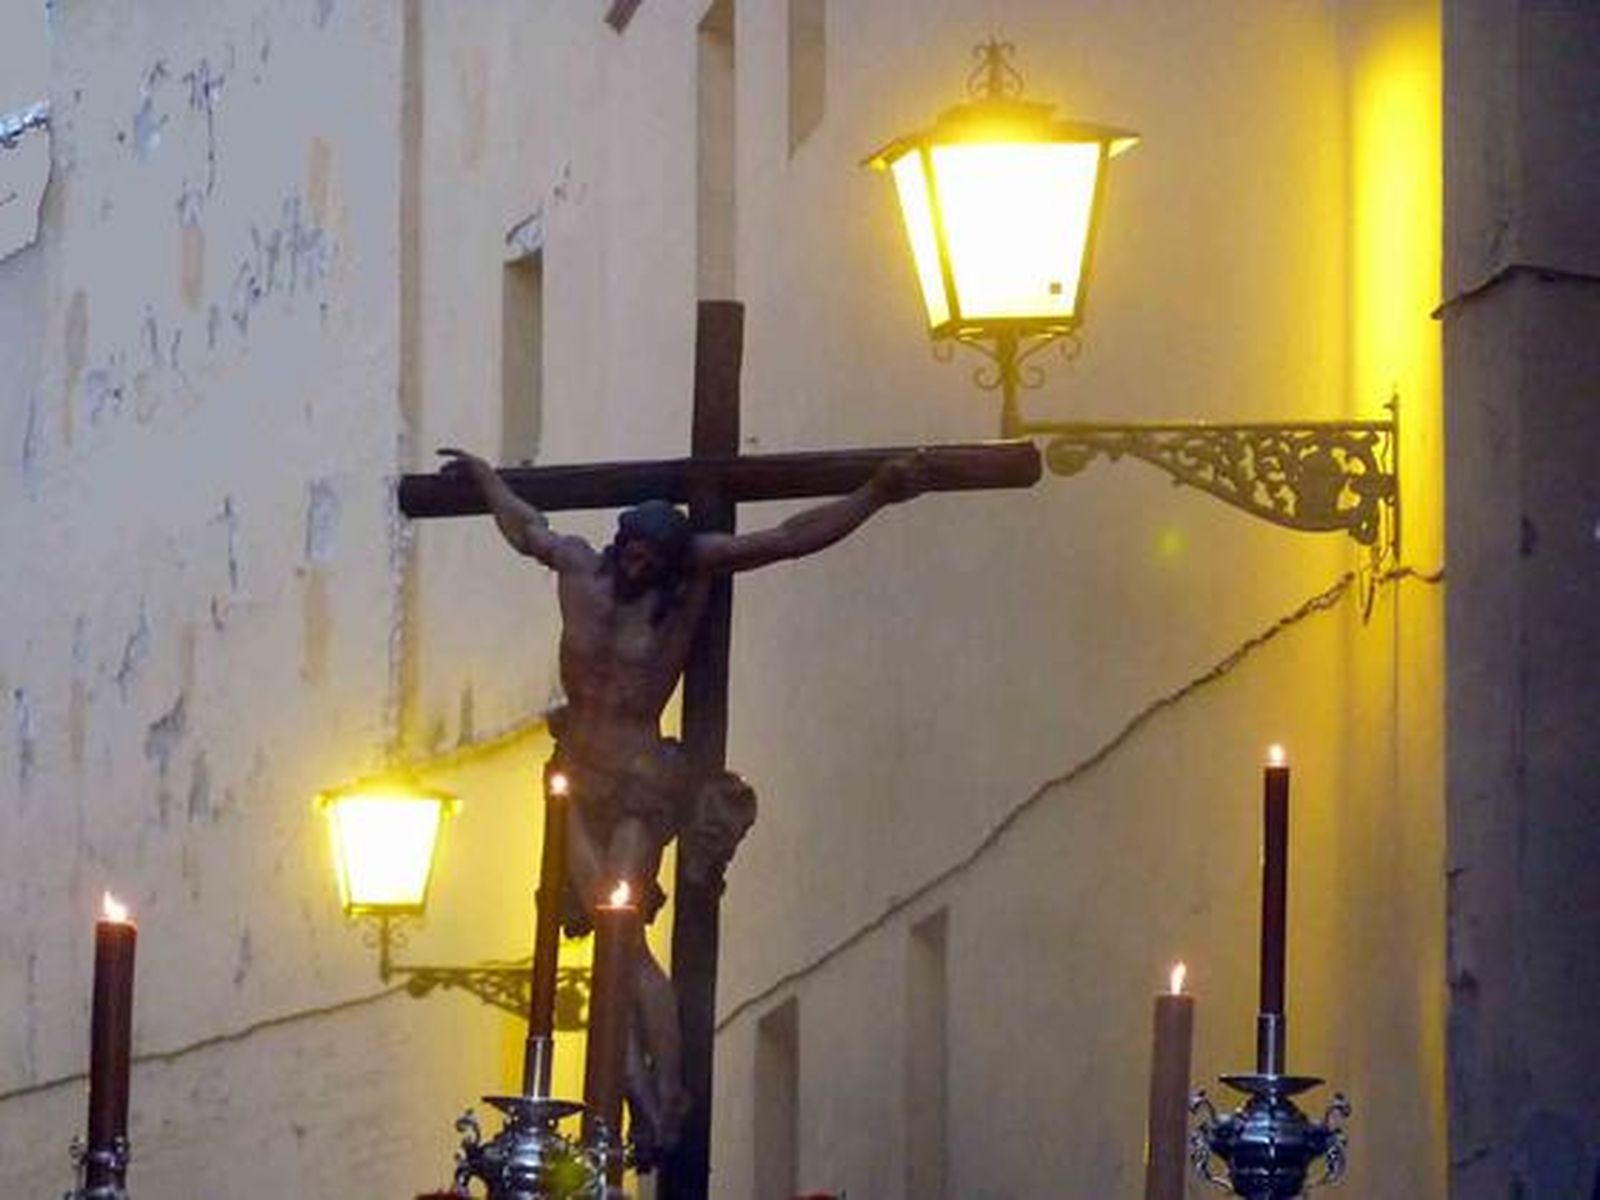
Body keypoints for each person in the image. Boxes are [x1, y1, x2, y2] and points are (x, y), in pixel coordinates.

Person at [436, 446, 928, 1161]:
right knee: (608, 937)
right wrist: (485, 478)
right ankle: (626, 1087)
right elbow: (525, 527)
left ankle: (663, 1091)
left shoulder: (692, 577)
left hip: (640, 781)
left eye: (653, 560)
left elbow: (790, 538)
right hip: (573, 772)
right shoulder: (577, 568)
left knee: (625, 933)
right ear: (619, 544)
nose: (640, 566)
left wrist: (876, 493)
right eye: (633, 552)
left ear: (671, 560)